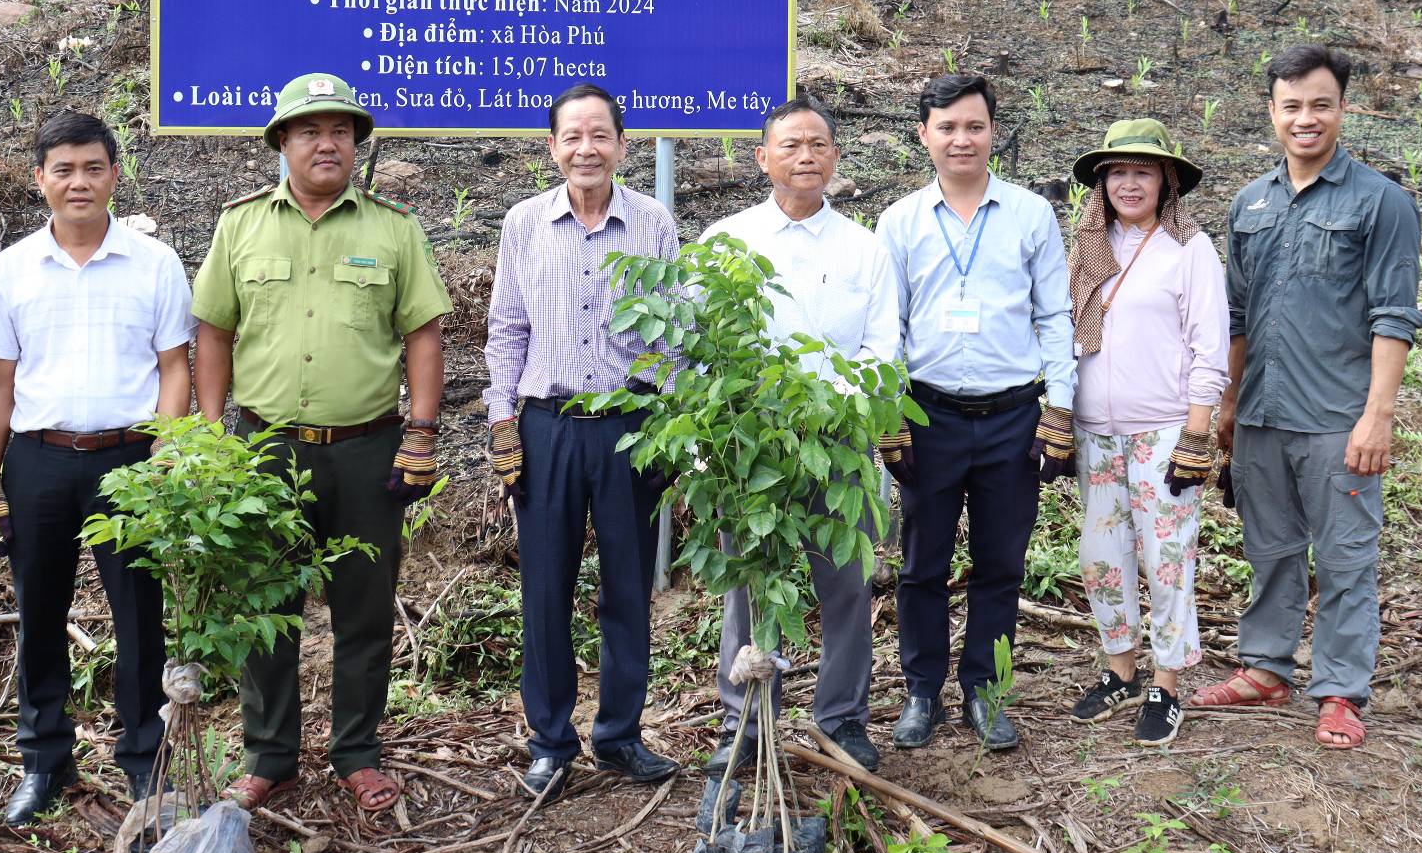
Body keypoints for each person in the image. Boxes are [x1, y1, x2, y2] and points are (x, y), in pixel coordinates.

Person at [191, 73, 452, 814]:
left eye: (340, 130)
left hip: (369, 450)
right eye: (309, 130)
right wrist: (213, 438)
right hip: (264, 449)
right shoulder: (239, 224)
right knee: (265, 606)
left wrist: (422, 433)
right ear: (282, 143)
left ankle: (357, 751)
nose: (326, 142)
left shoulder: (392, 227)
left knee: (364, 608)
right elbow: (213, 331)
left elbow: (423, 334)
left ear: (355, 143)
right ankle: (270, 755)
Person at [0, 111, 196, 823]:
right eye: (62, 169)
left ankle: (142, 760)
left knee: (139, 616)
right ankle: (45, 760)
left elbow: (174, 368)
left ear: (115, 175)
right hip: (38, 461)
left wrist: (163, 454)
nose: (79, 182)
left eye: (93, 167)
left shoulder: (154, 263)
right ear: (40, 179)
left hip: (131, 458)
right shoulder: (13, 268)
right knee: (39, 610)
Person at [1193, 45, 1422, 751]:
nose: (1306, 118)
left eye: (1320, 104)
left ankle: (1339, 690)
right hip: (1262, 414)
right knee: (1270, 548)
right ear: (1272, 112)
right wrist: (1229, 402)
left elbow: (1394, 314)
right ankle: (1265, 665)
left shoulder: (1381, 202)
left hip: (1338, 420)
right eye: (1291, 105)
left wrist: (1377, 414)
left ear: (1342, 109)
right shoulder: (1250, 202)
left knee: (1347, 558)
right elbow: (1234, 314)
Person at [484, 83, 681, 800]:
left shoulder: (654, 221)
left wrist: (665, 418)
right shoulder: (525, 222)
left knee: (628, 586)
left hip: (632, 428)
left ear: (623, 146)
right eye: (573, 136)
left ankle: (621, 735)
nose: (586, 148)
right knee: (546, 590)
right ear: (553, 147)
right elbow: (507, 327)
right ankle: (550, 741)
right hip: (549, 427)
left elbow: (673, 330)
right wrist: (503, 422)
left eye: (600, 135)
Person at [874, 72, 1075, 752]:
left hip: (1012, 417)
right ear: (923, 133)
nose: (962, 138)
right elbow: (887, 326)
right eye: (948, 126)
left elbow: (1054, 313)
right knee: (921, 562)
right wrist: (888, 411)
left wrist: (1061, 408)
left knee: (1000, 562)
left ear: (994, 131)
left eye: (976, 125)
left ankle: (984, 691)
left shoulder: (1030, 215)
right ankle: (922, 691)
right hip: (927, 415)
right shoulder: (899, 221)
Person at [700, 96, 901, 774]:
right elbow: (704, 353)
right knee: (749, 587)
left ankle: (841, 718)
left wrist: (828, 411)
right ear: (763, 158)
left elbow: (881, 352)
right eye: (790, 145)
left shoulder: (865, 248)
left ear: (836, 157)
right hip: (748, 452)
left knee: (845, 586)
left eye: (818, 144)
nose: (805, 156)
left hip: (835, 445)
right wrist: (715, 440)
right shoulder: (726, 242)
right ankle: (745, 723)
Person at [1062, 119, 1230, 747]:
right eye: (1117, 172)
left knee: (1166, 559)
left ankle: (1167, 681)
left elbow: (1209, 348)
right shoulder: (1085, 245)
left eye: (1143, 170)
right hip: (1096, 432)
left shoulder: (1189, 249)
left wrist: (1197, 432)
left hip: (1163, 431)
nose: (1129, 183)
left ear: (1166, 180)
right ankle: (1119, 669)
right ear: (1102, 181)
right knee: (1103, 556)